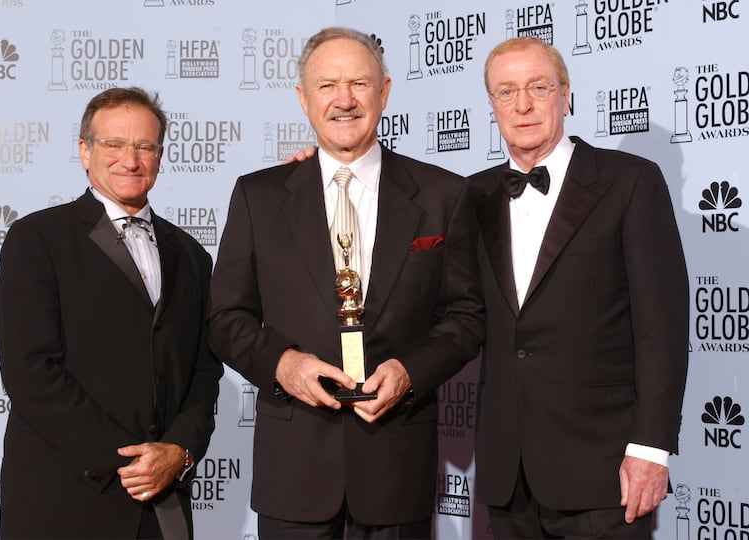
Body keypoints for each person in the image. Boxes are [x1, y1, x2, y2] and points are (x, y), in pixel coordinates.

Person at [207, 27, 484, 539]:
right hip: (294, 469)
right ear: (303, 98)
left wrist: (409, 371)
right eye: (327, 85)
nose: (344, 100)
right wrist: (283, 364)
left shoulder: (445, 194)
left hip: (396, 462)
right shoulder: (257, 196)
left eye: (359, 83)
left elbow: (466, 316)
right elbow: (225, 318)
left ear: (385, 91)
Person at [468, 37, 689, 539]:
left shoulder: (630, 181)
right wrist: (317, 181)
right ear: (492, 106)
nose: (522, 105)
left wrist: (650, 450)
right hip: (509, 473)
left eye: (537, 87)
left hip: (604, 469)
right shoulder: (471, 196)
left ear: (566, 95)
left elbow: (663, 330)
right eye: (506, 92)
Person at [0, 87, 223, 539]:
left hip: (162, 506)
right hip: (65, 499)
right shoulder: (37, 238)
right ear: (84, 152)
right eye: (113, 144)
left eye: (144, 146)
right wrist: (131, 464)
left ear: (160, 155)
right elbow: (31, 371)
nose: (130, 159)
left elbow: (204, 371)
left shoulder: (192, 255)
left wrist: (178, 452)